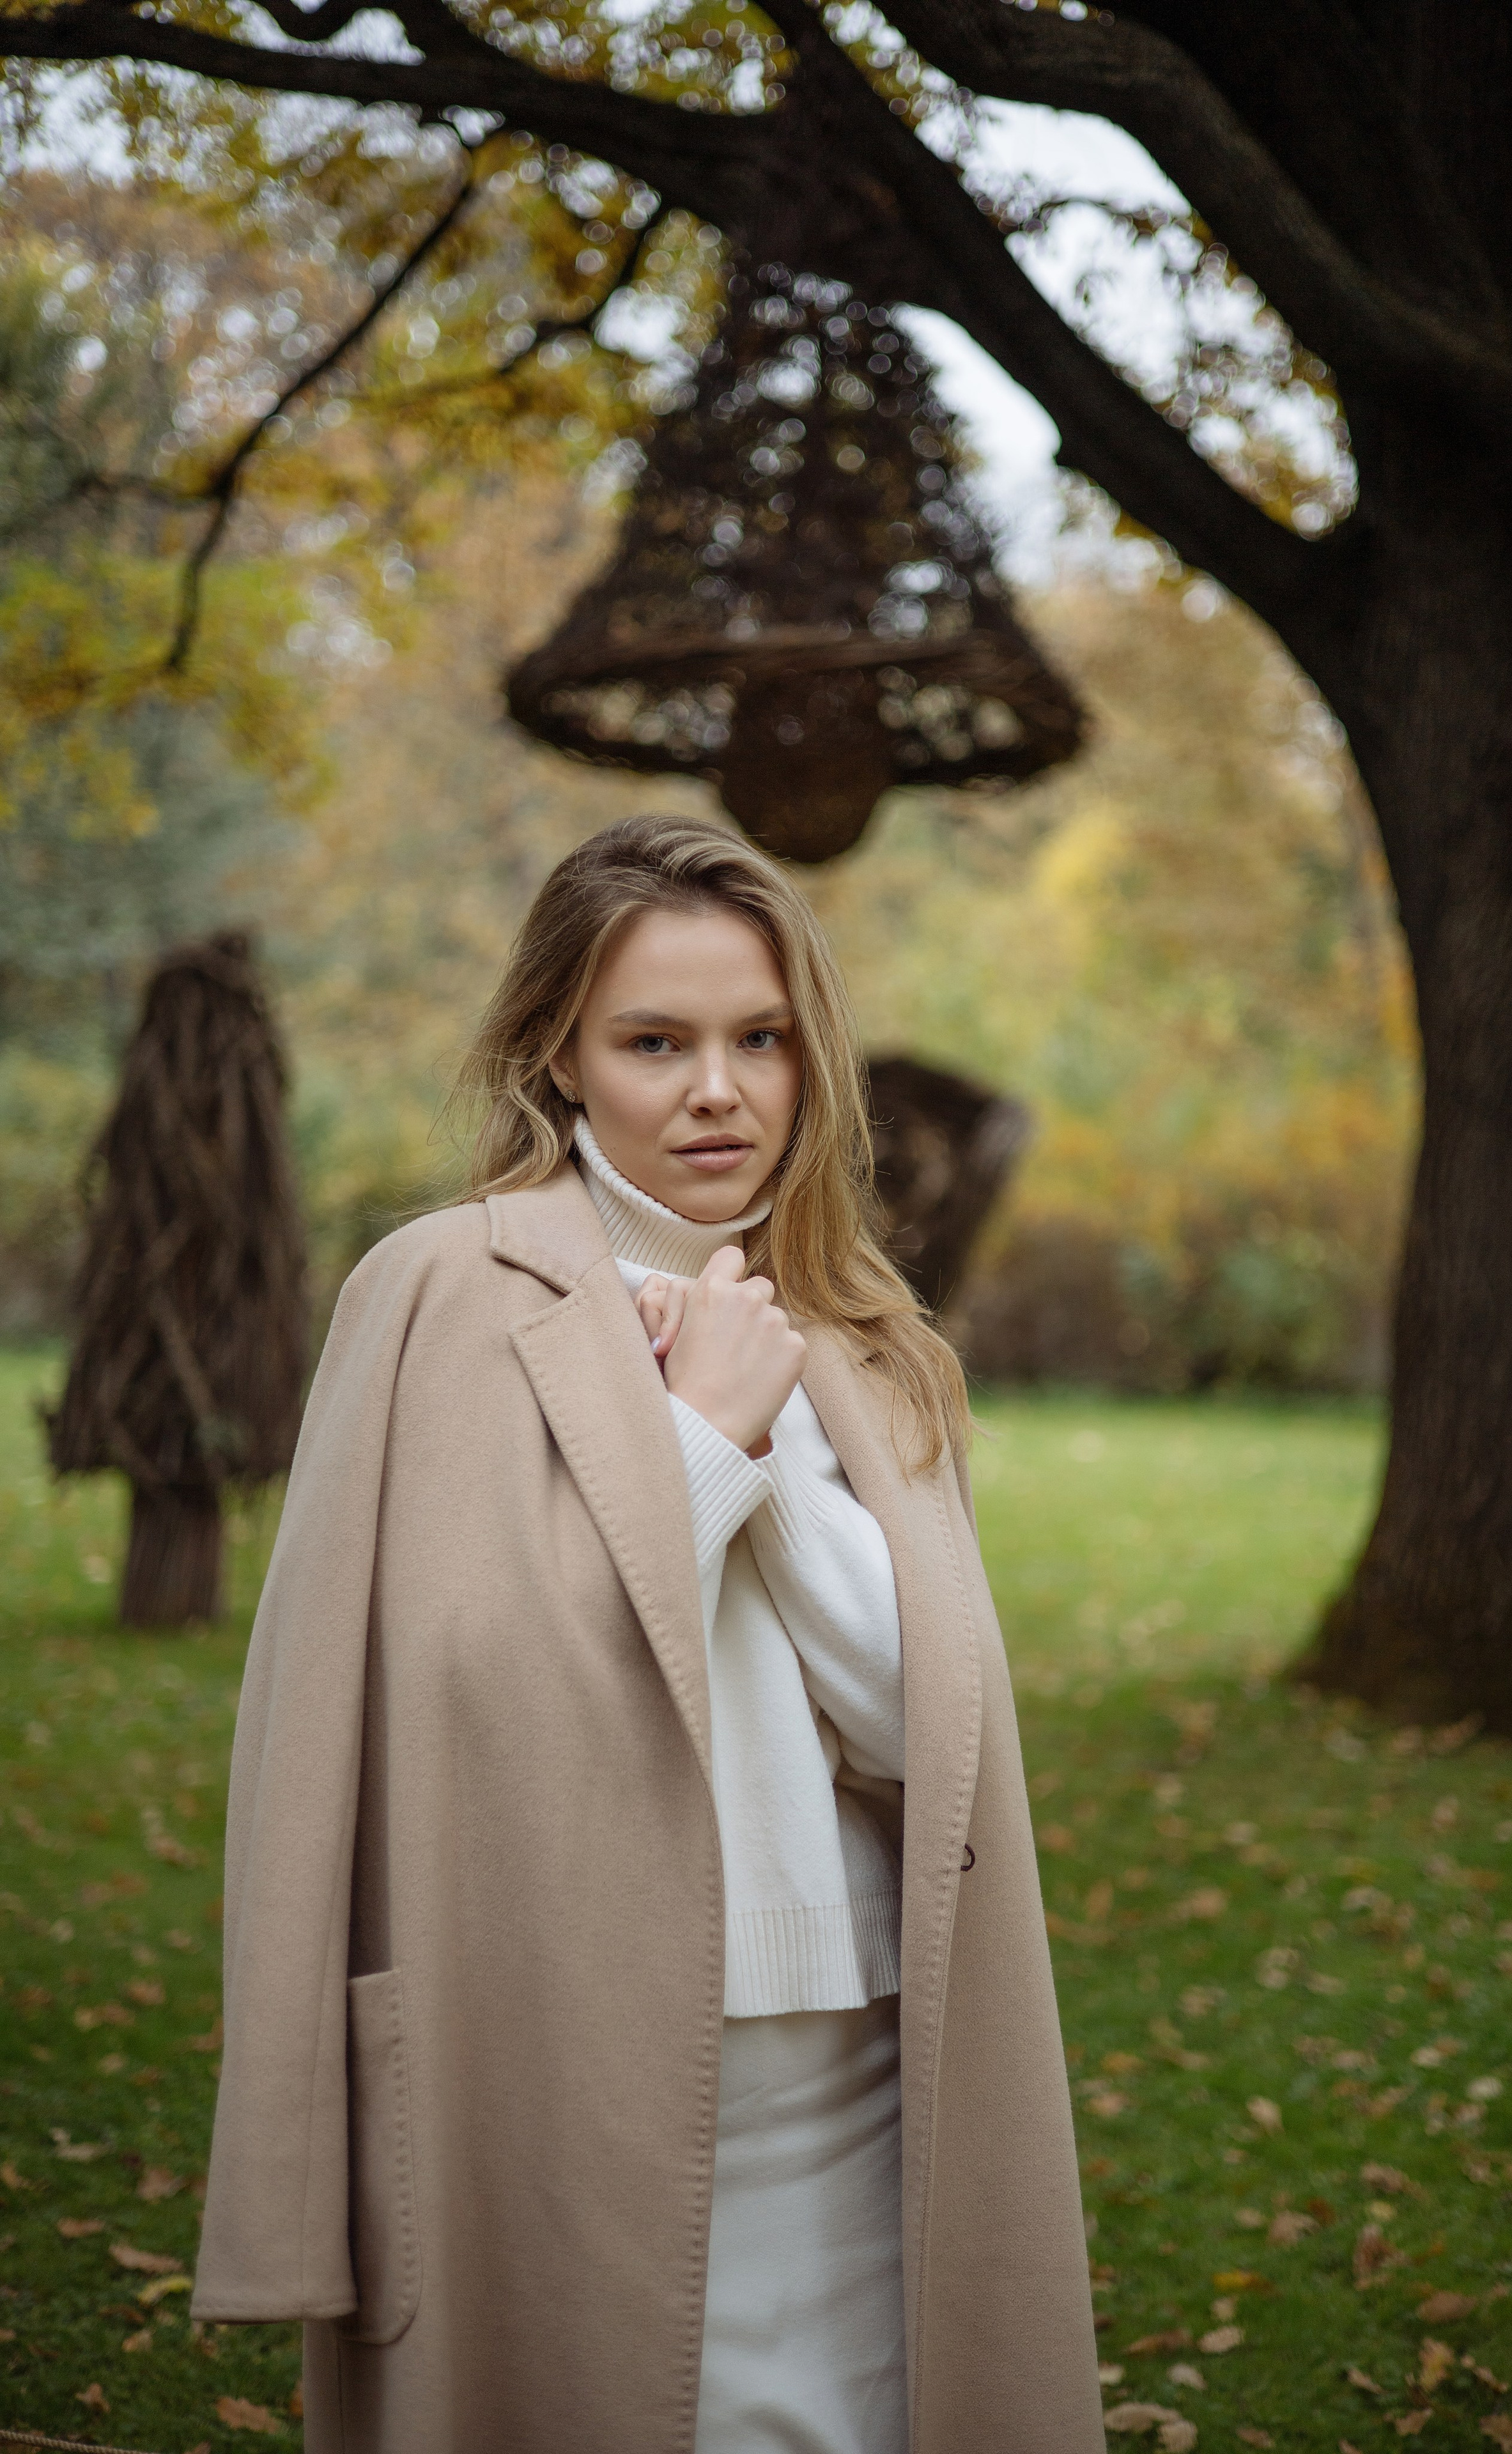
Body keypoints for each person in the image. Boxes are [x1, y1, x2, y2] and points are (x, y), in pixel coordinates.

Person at [194, 814, 1103, 2454]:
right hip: (542, 2042)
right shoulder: (435, 1298)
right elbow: (471, 1687)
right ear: (557, 1051)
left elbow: (926, 1734)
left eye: (759, 1040)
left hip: (862, 2056)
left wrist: (763, 1455)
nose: (718, 1091)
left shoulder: (867, 1335)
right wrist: (697, 1442)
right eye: (654, 1042)